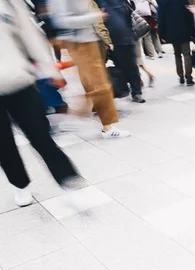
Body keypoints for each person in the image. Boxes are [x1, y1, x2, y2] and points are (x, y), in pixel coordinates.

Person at [1, 0, 80, 206]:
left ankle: (66, 178)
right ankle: (20, 184)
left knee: (40, 135)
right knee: (3, 145)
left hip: (18, 80)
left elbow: (30, 34)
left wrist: (49, 68)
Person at [50, 0, 131, 137]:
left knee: (100, 86)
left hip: (87, 41)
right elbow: (62, 20)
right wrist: (93, 16)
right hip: (80, 43)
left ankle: (104, 126)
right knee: (100, 86)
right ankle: (80, 120)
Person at [97, 0, 146, 103]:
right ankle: (124, 89)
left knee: (131, 66)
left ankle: (136, 92)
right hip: (113, 40)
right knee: (121, 67)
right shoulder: (100, 2)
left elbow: (130, 13)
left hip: (127, 38)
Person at [158, 0, 195, 85]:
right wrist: (193, 33)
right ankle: (189, 77)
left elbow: (161, 18)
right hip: (184, 31)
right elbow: (189, 16)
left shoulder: (163, 2)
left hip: (172, 32)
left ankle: (181, 76)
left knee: (177, 54)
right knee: (187, 54)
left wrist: (162, 35)